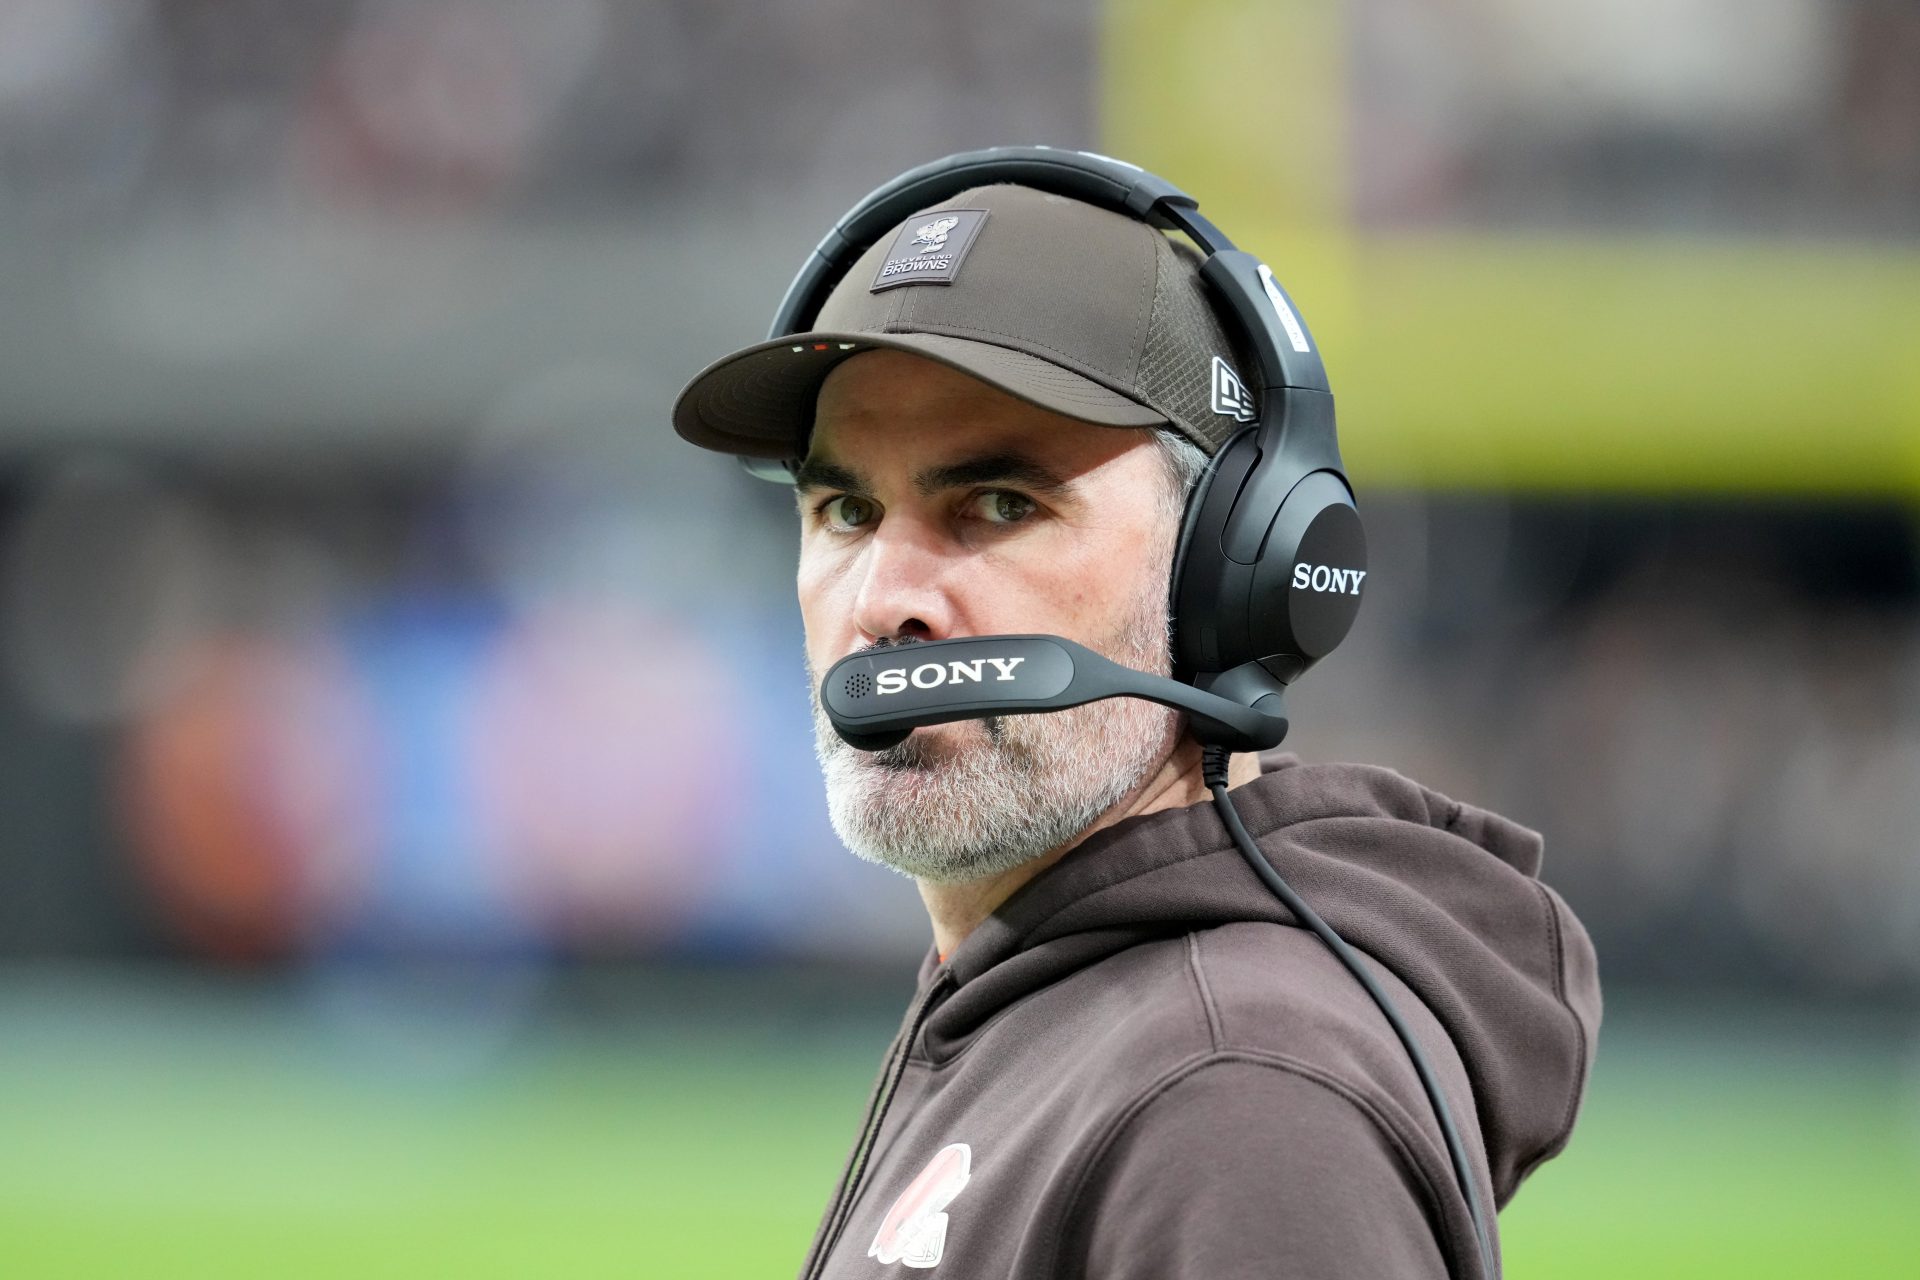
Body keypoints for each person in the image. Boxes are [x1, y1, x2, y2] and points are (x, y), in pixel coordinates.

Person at [672, 172, 1600, 1279]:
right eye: (847, 511)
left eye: (1001, 504)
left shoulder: (1240, 1097)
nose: (883, 600)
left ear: (1232, 568)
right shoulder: (1041, 1003)